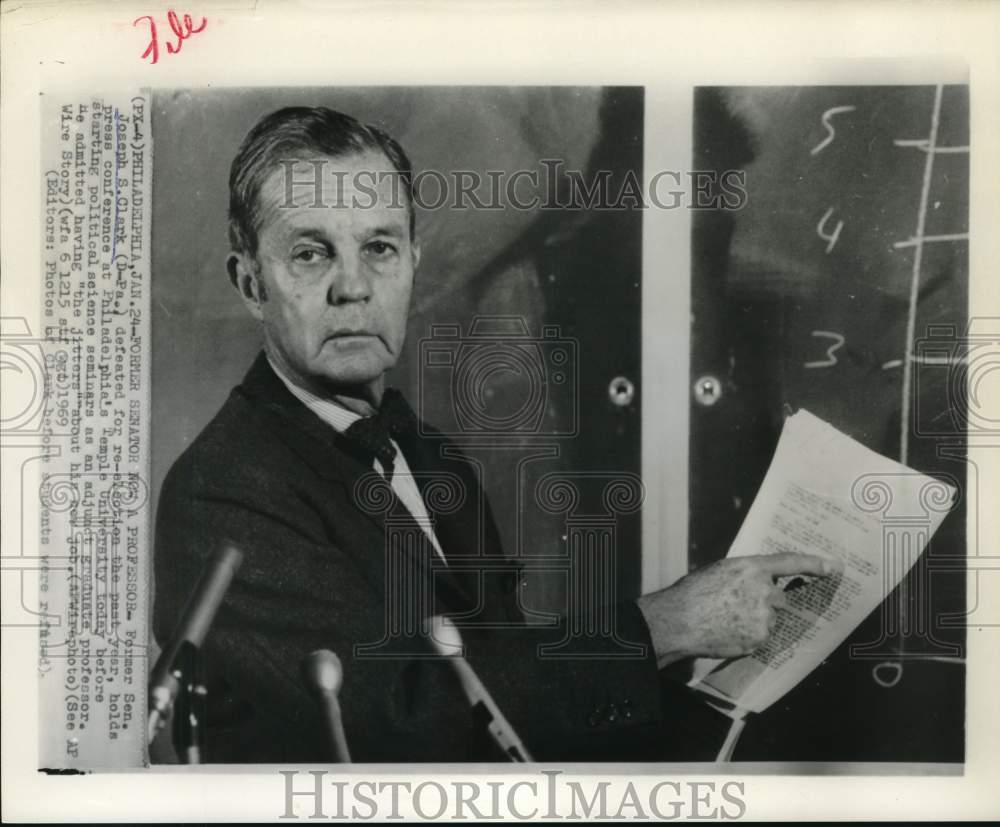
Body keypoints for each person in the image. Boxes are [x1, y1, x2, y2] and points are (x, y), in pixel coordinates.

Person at [153, 106, 838, 763]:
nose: (353, 286)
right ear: (249, 284)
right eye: (310, 254)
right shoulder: (216, 491)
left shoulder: (427, 454)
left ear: (414, 264)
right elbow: (394, 724)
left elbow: (509, 712)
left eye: (380, 248)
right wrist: (666, 624)